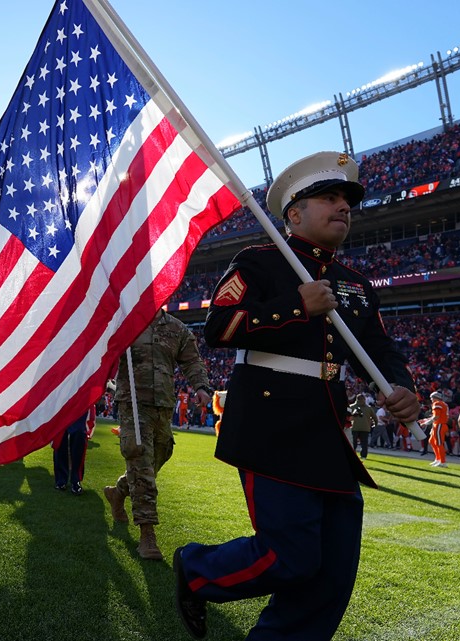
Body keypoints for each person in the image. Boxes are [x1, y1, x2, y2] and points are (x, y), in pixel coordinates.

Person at [171, 151, 419, 640]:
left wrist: (401, 387)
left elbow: (379, 348)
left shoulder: (356, 286)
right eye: (329, 197)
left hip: (329, 430)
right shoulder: (258, 262)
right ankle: (197, 570)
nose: (343, 207)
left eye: (347, 200)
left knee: (332, 571)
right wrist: (294, 307)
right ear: (293, 213)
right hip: (271, 420)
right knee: (290, 556)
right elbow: (217, 328)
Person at [103, 309, 212, 561]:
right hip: (133, 403)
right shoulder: (125, 322)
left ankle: (119, 491)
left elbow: (192, 360)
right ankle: (147, 533)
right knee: (140, 460)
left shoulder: (176, 328)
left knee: (162, 454)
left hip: (163, 404)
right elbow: (102, 352)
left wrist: (201, 387)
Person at [53, 409, 92, 495]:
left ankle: (76, 479)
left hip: (80, 402)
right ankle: (61, 479)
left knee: (79, 435)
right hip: (62, 402)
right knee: (60, 438)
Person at [423, 391, 449, 467]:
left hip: (439, 425)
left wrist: (427, 423)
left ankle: (443, 462)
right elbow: (436, 416)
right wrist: (426, 420)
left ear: (435, 398)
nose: (431, 399)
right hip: (438, 425)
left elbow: (436, 417)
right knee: (431, 441)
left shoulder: (437, 404)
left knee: (439, 443)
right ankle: (438, 459)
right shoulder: (443, 404)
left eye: (431, 398)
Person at [348, 394, 376, 459]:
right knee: (364, 443)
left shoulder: (351, 407)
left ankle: (352, 454)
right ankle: (363, 456)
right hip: (365, 428)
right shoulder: (369, 408)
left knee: (353, 442)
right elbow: (374, 417)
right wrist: (374, 424)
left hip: (354, 427)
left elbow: (347, 415)